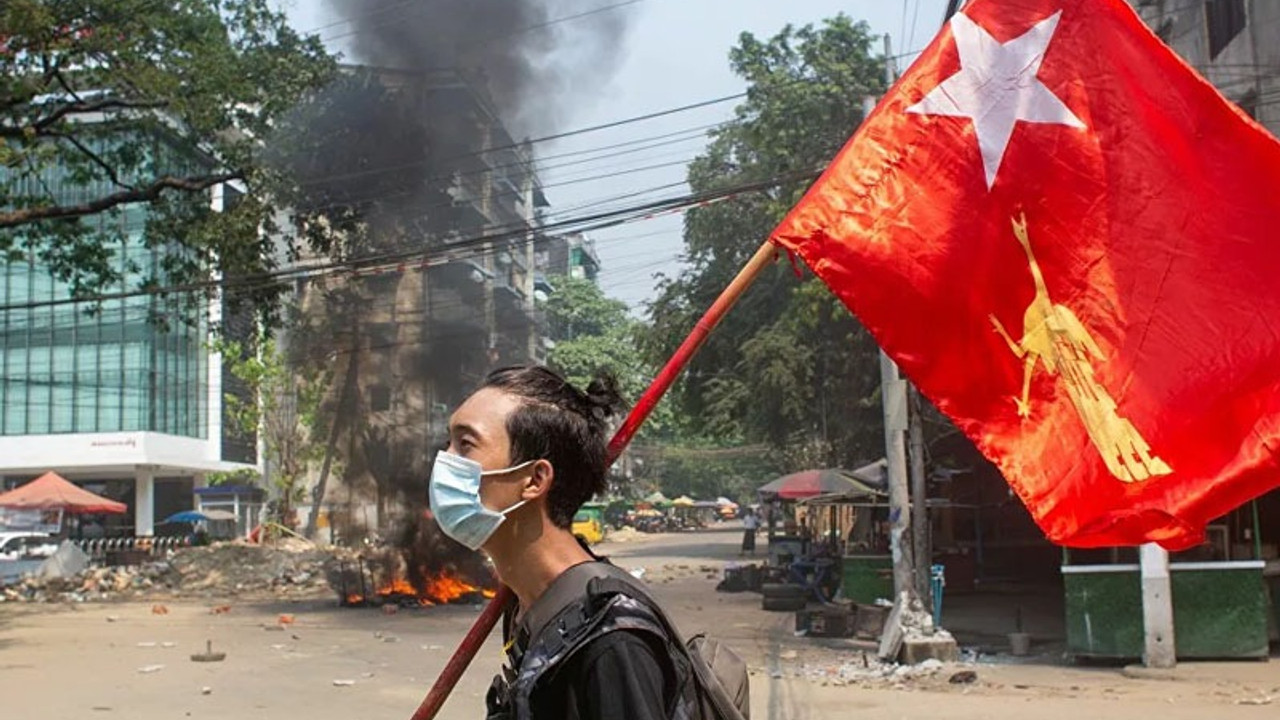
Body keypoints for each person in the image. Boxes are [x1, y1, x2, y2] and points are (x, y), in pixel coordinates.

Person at [428, 366, 680, 720]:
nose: (444, 461)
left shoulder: (610, 637)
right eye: (448, 443)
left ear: (534, 479)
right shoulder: (528, 606)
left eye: (465, 444)